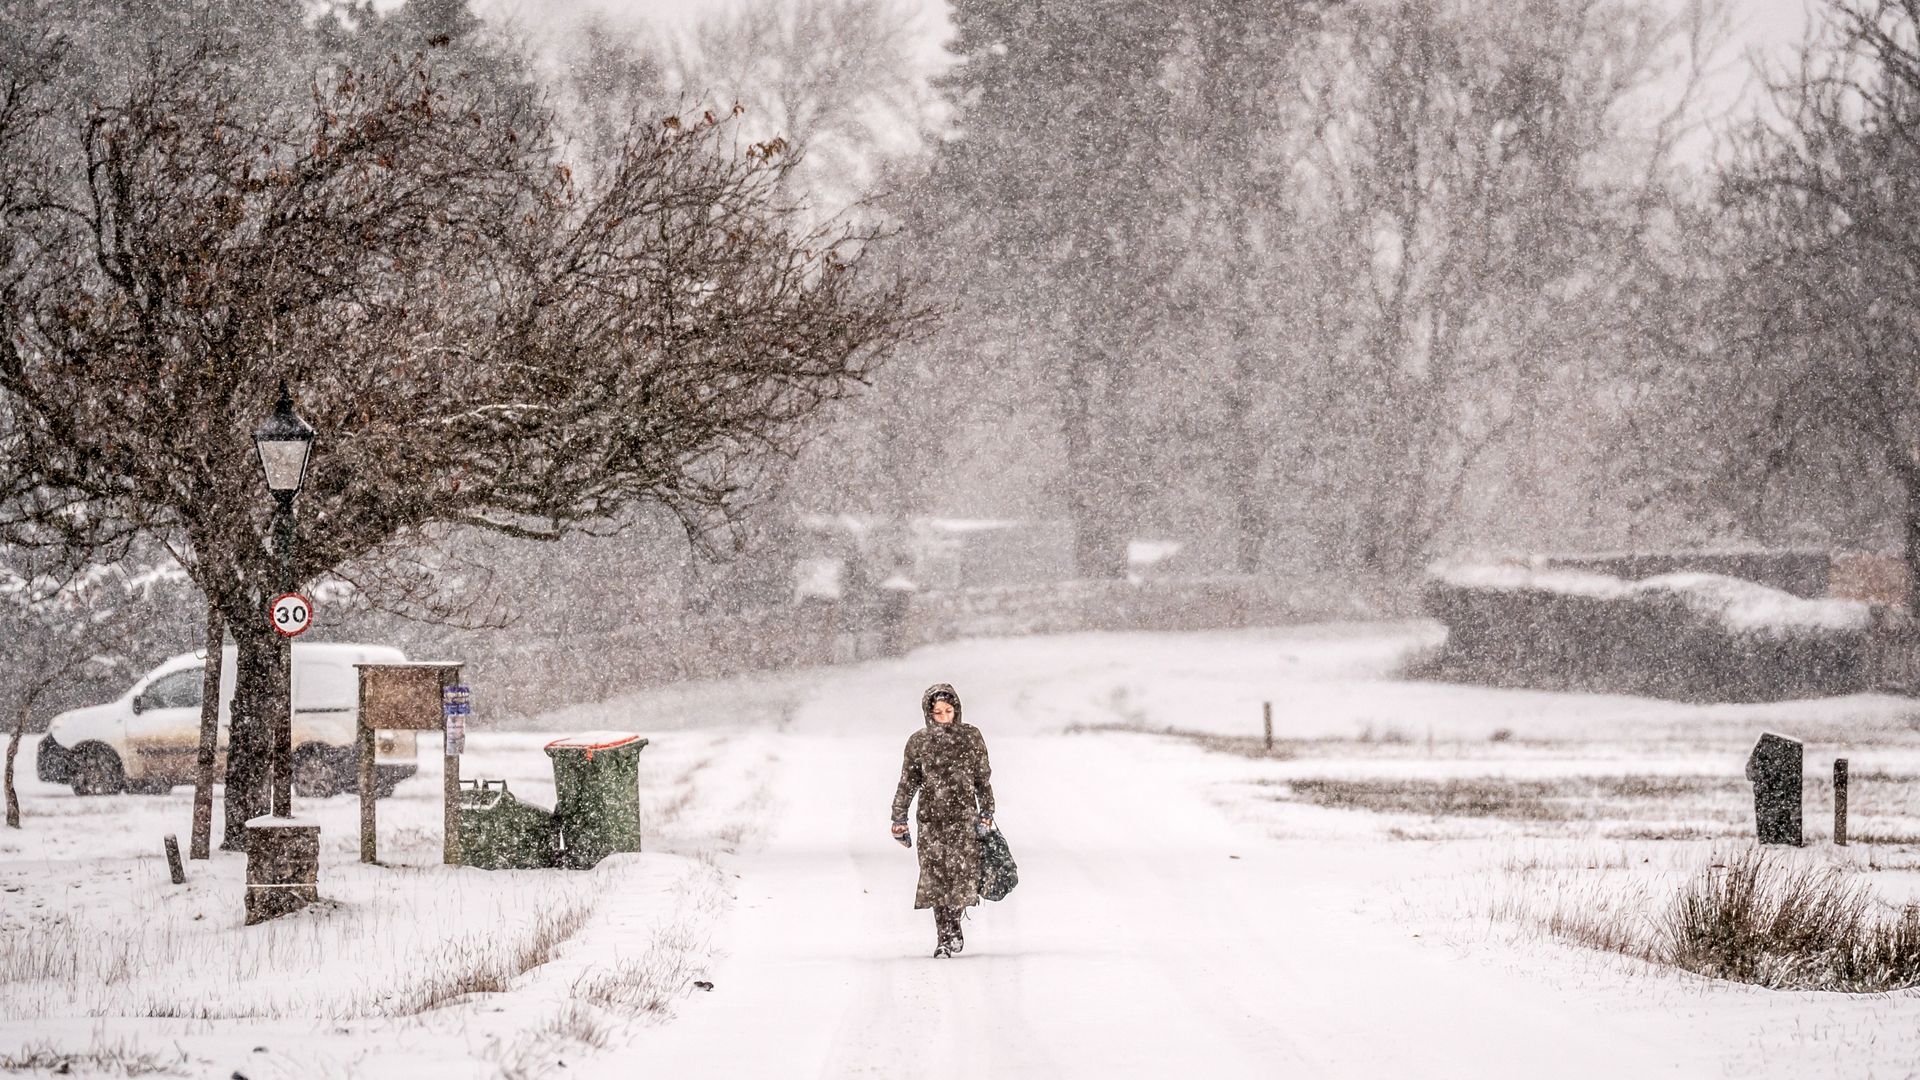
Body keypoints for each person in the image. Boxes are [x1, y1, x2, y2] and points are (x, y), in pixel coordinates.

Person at [890, 682, 995, 958]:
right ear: (928, 713)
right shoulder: (919, 743)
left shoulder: (971, 738)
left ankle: (955, 924)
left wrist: (987, 811)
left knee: (961, 876)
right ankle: (944, 937)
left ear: (957, 711)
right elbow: (907, 782)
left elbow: (982, 779)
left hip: (963, 820)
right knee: (936, 878)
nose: (944, 716)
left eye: (949, 710)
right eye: (938, 712)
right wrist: (898, 817)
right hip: (931, 820)